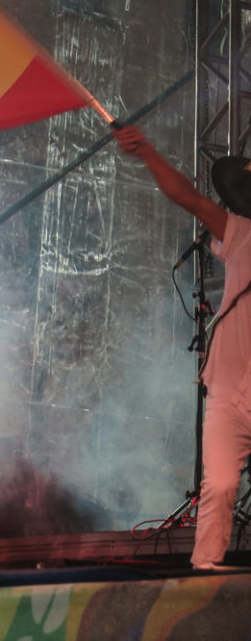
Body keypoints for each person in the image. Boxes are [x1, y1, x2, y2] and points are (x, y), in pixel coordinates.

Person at [115, 124, 251, 571]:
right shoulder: (243, 235)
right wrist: (148, 153)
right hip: (230, 395)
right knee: (221, 486)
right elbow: (189, 198)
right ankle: (204, 576)